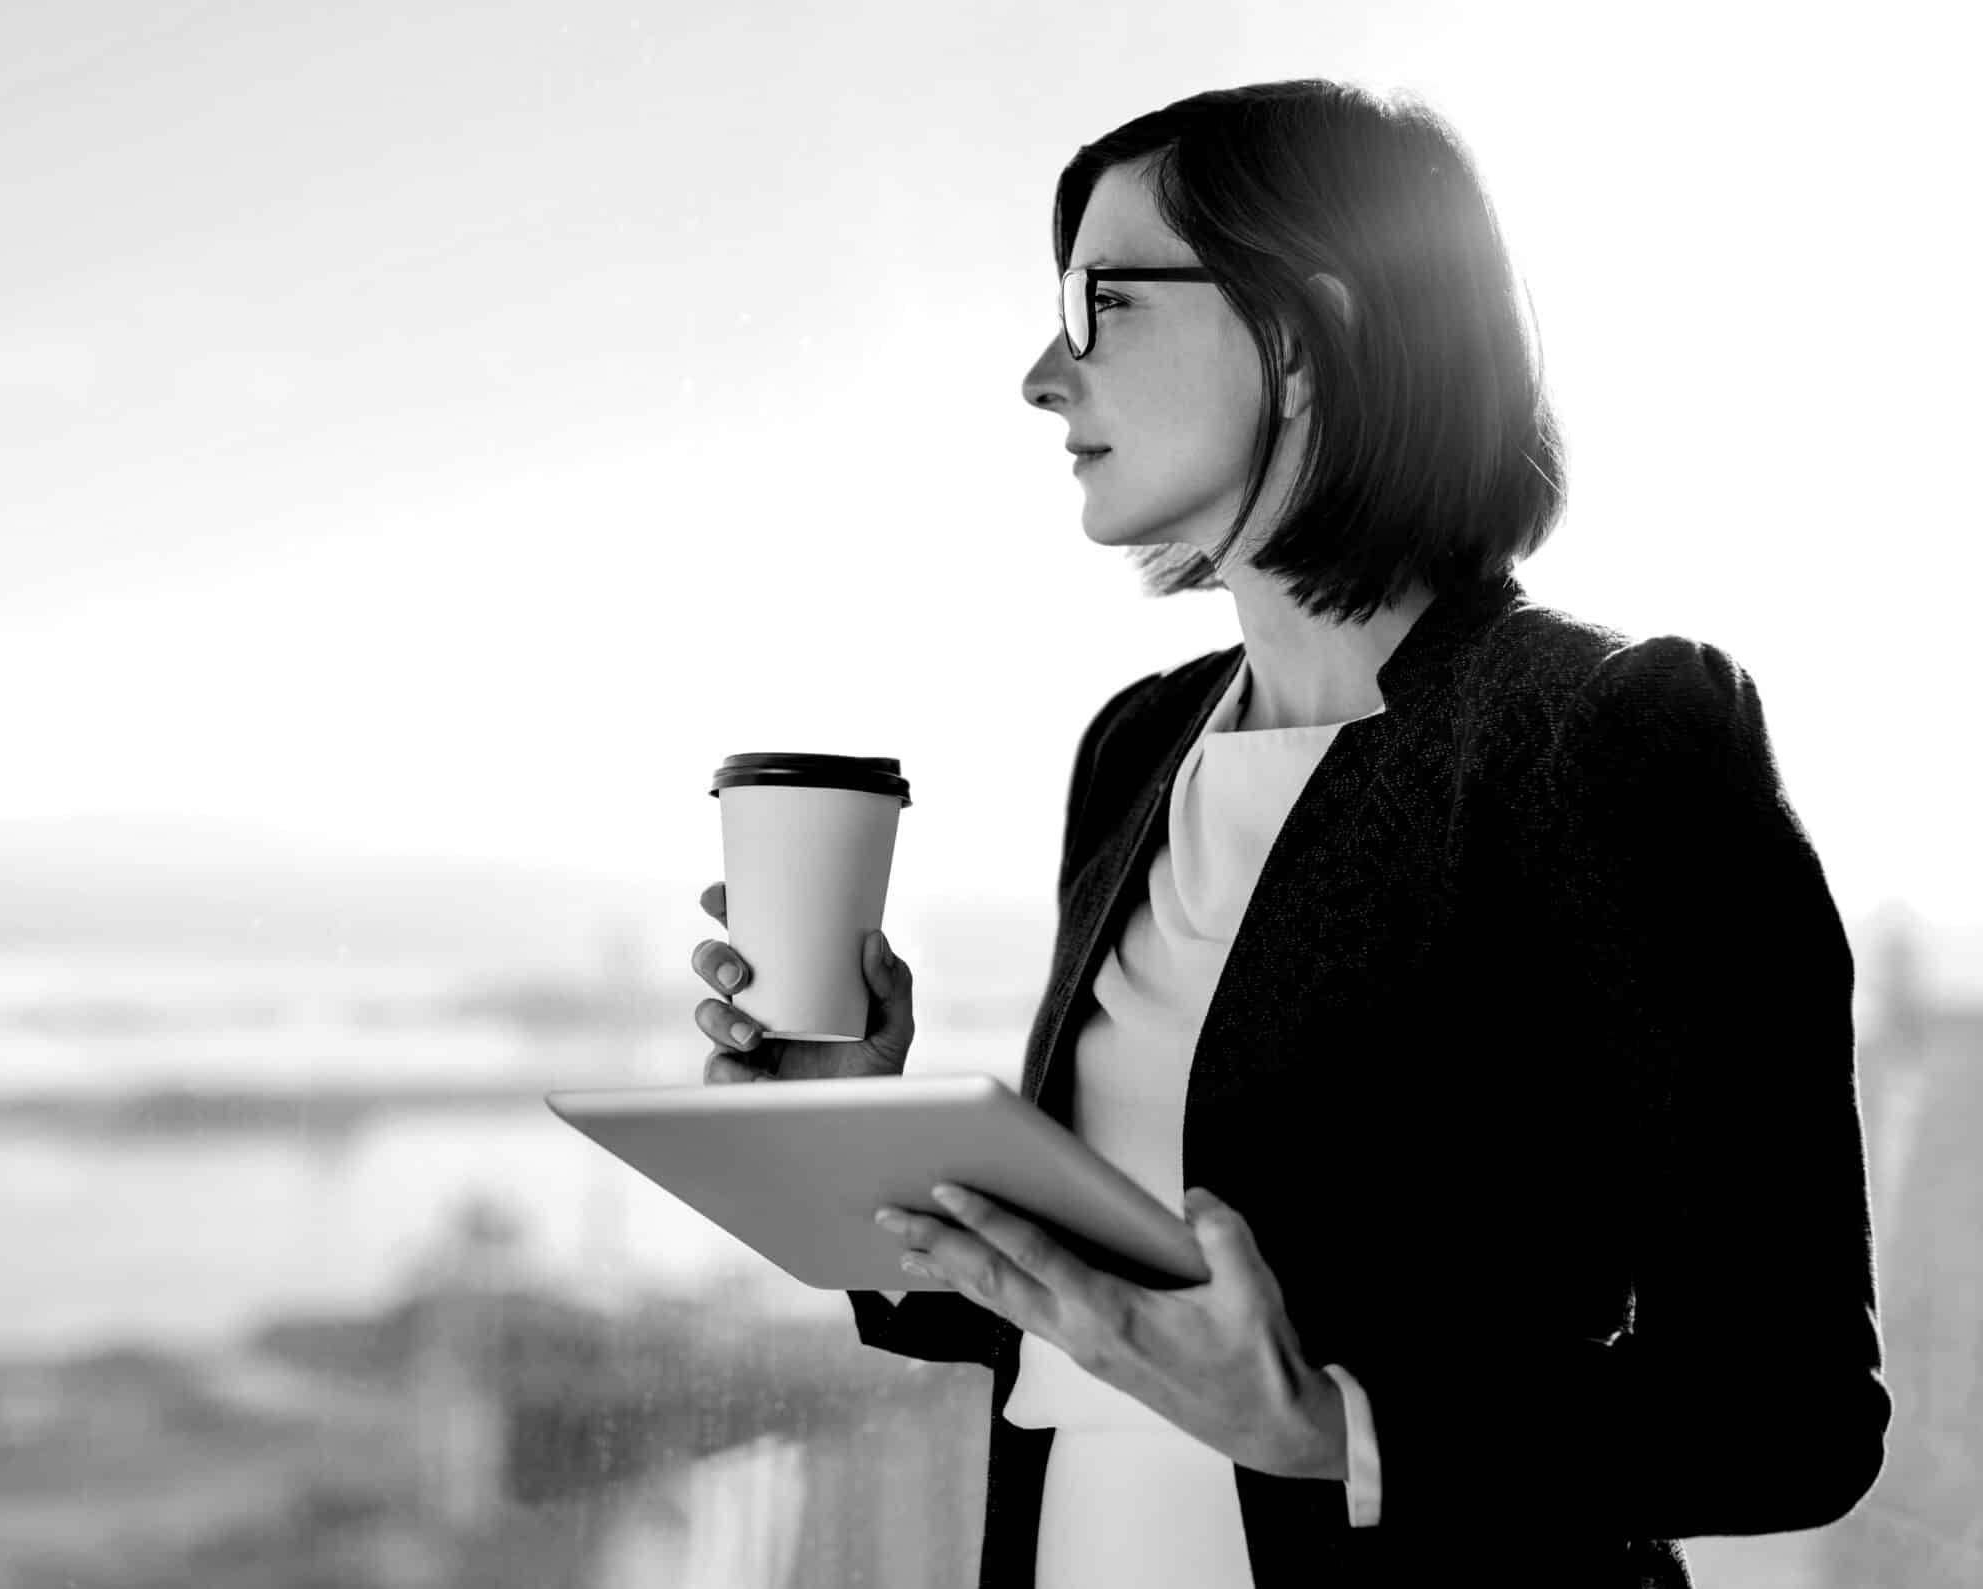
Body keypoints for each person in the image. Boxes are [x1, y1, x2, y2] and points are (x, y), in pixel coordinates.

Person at [687, 78, 1889, 1588]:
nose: (1041, 376)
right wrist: (852, 1131)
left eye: (1099, 301)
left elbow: (1794, 1414)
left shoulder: (1615, 733)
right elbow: (1104, 1317)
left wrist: (1338, 1427)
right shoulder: (1139, 747)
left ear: (1300, 338)